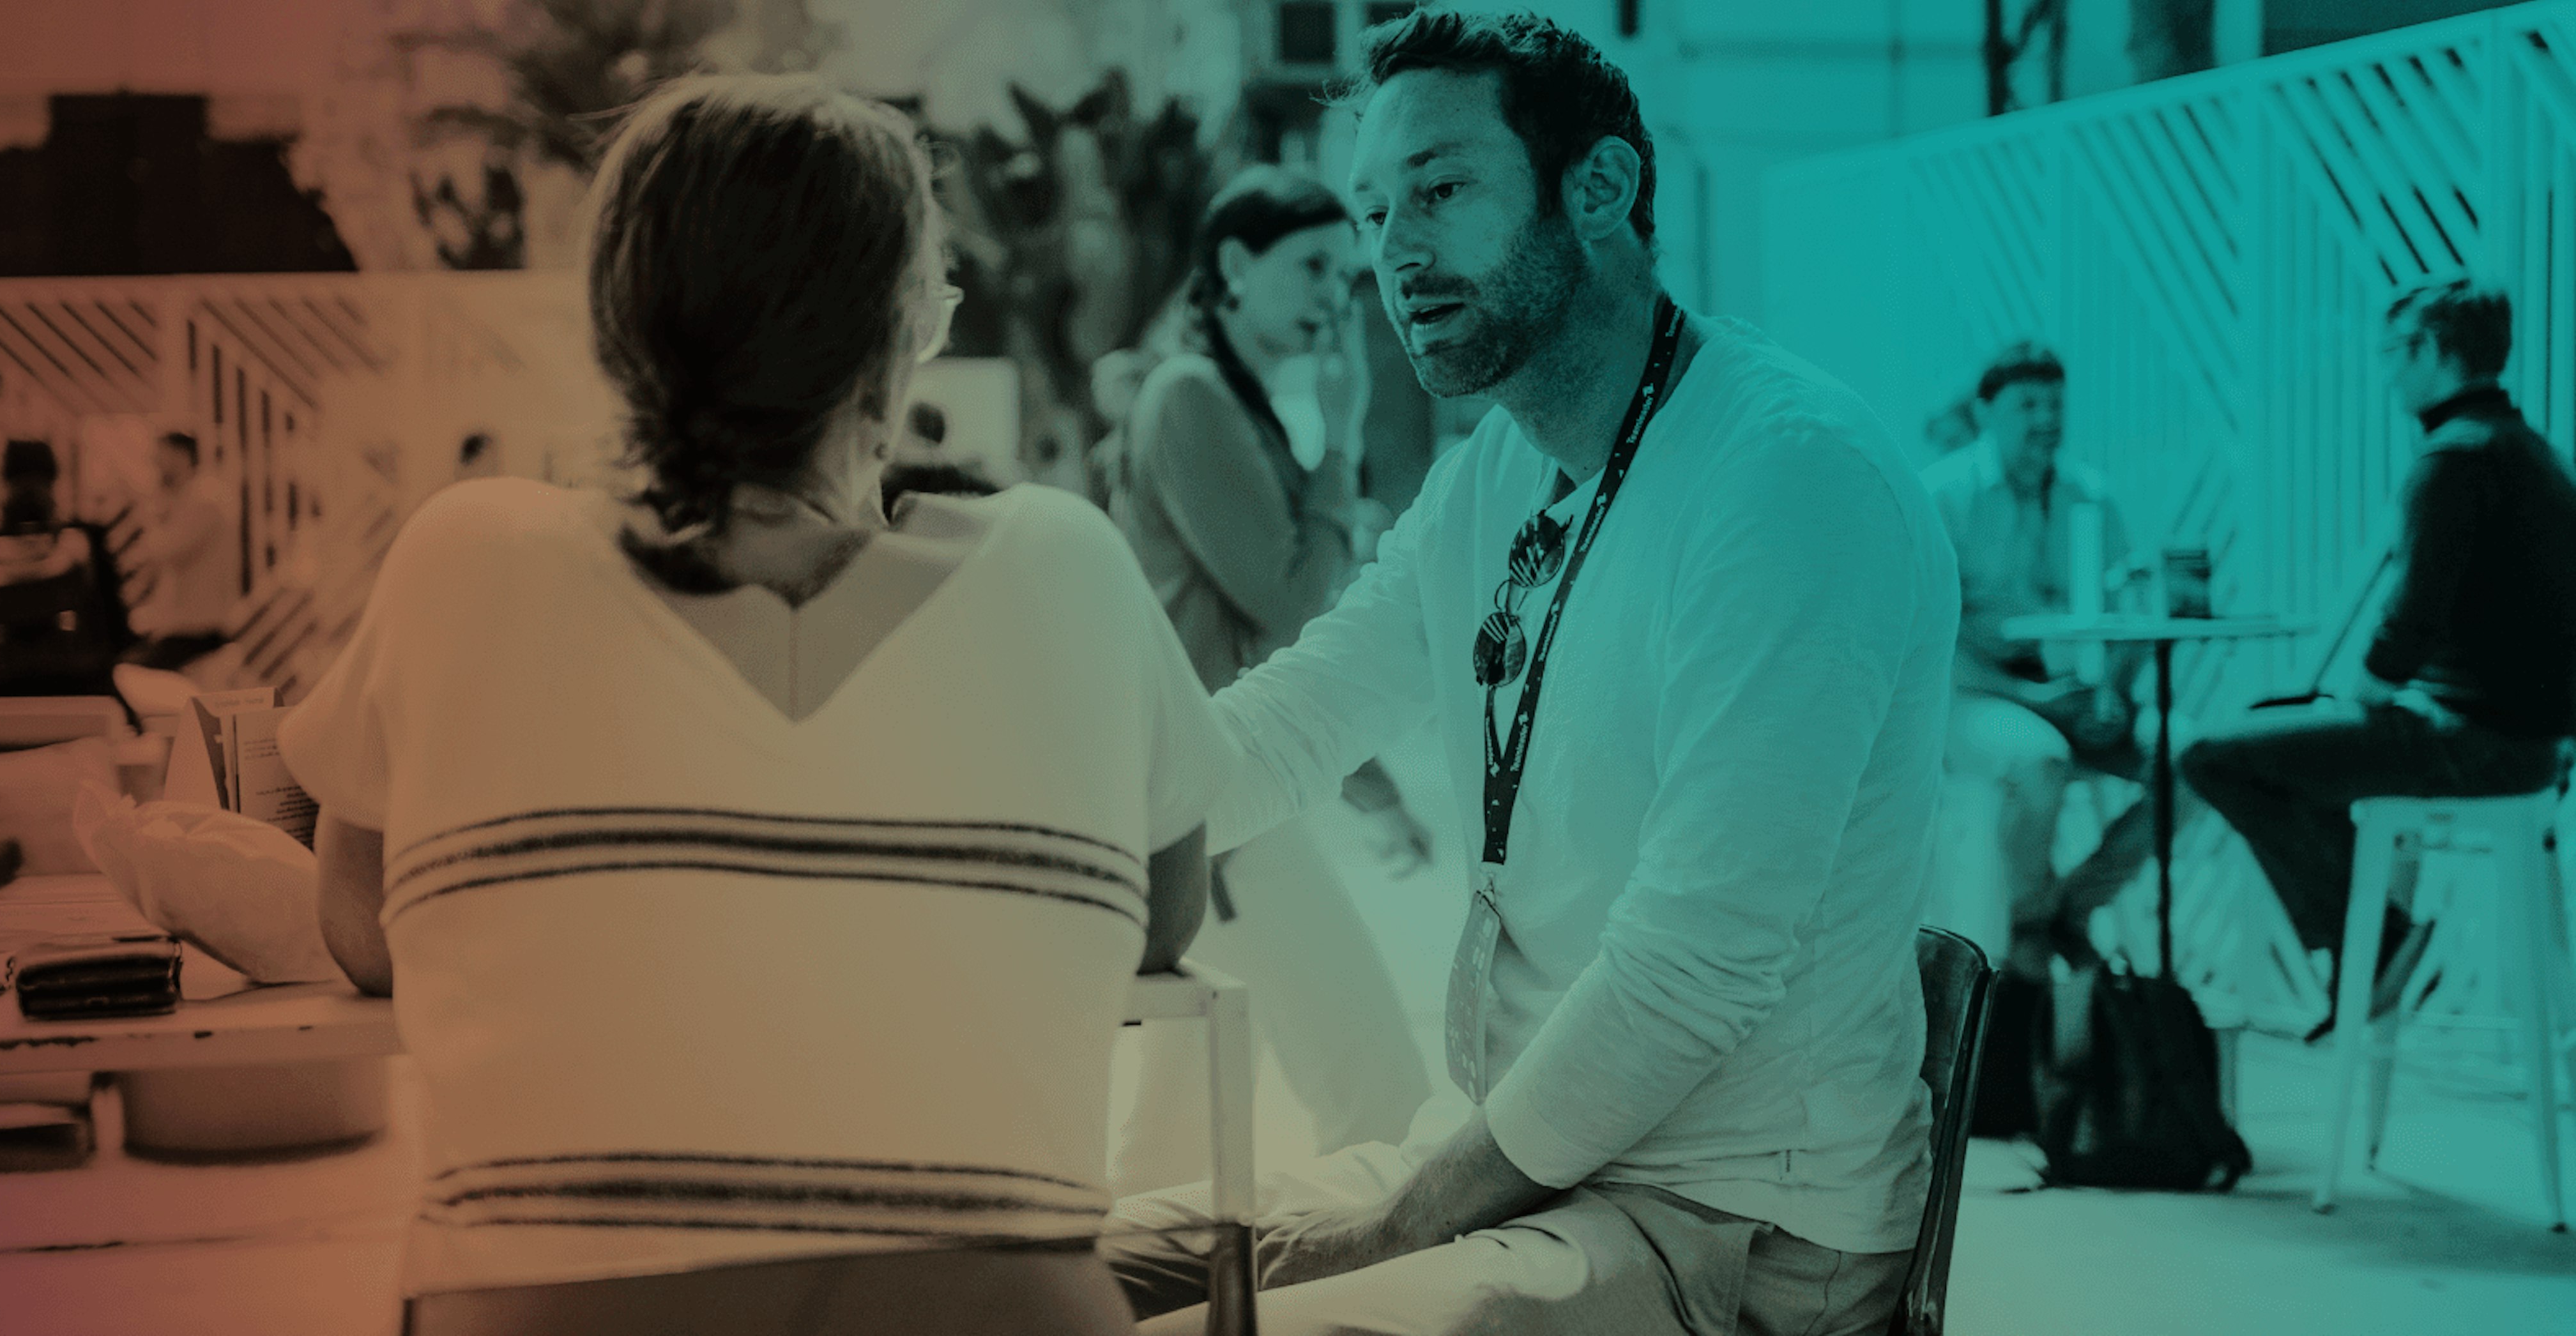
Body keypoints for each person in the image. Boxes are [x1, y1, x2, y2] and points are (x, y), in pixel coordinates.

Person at [275, 75, 1232, 1336]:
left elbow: (364, 927)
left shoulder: (465, 559)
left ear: (619, 331)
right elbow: (1160, 921)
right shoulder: (1069, 567)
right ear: (899, 337)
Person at [1099, 12, 1958, 1334]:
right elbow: (1293, 721)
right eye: (1375, 210)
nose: (1393, 254)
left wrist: (1394, 1226)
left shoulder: (1787, 482)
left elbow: (1688, 967)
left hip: (1727, 1216)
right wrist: (1053, 841)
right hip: (1524, 1169)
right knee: (1037, 1273)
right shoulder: (1494, 472)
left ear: (1597, 187)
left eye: (1440, 190)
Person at [1108, 164, 1435, 1194]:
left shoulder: (1233, 407)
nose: (1334, 296)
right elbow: (1291, 613)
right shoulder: (1189, 398)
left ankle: (1117, 1282)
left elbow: (1278, 650)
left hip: (1212, 803)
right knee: (1379, 1098)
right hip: (1220, 813)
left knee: (1179, 1129)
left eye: (1345, 274)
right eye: (1313, 267)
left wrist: (1376, 793)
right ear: (1236, 265)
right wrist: (1343, 438)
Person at [2183, 278, 2576, 1035]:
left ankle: (2375, 939)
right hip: (2535, 749)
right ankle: (2367, 946)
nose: (2387, 373)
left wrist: (2356, 700)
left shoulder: (2452, 459)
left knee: (2210, 755)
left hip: (2472, 742)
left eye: (2393, 352)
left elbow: (2407, 626)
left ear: (2431, 351)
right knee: (2285, 730)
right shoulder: (2534, 453)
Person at [1921, 343, 2161, 983]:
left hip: (2073, 695)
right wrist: (2029, 698)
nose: (2046, 420)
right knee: (2038, 760)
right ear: (1984, 413)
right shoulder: (1942, 498)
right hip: (1972, 696)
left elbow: (2131, 614)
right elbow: (1925, 638)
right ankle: (2027, 934)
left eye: (2055, 404)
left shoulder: (2091, 498)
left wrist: (2111, 691)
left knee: (2191, 756)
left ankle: (2068, 907)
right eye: (2027, 405)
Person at [0, 433, 135, 699]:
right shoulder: (86, 539)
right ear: (56, 481)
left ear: (3, 483)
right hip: (86, 700)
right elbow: (121, 633)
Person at [125, 429, 238, 671]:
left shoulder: (205, 499)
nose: (155, 463)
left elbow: (163, 550)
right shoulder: (189, 498)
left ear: (181, 456)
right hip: (181, 627)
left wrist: (152, 512)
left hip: (198, 630)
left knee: (129, 672)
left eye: (161, 454)